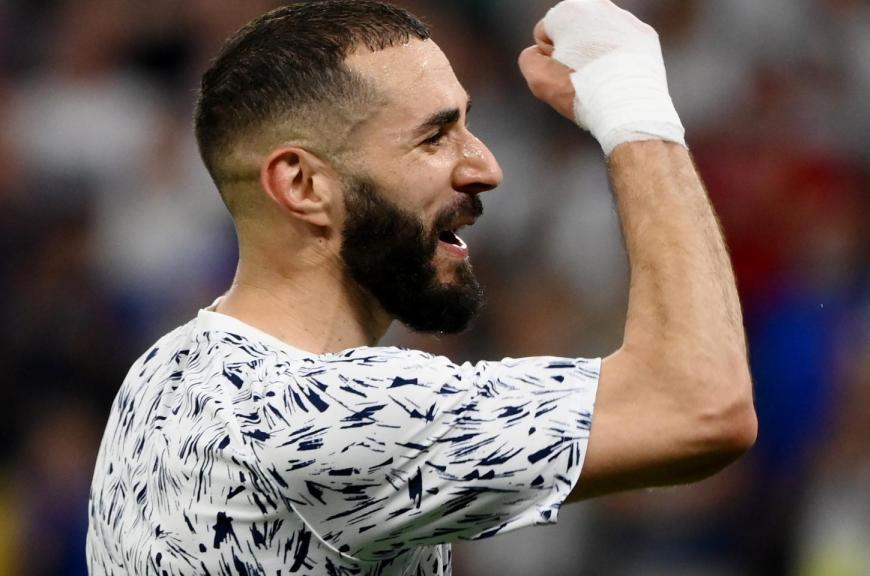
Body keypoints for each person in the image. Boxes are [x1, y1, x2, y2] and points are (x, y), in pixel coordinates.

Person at [86, 0, 757, 574]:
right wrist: (633, 105)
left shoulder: (160, 376)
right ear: (302, 185)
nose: (485, 167)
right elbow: (700, 404)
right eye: (435, 137)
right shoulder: (315, 411)